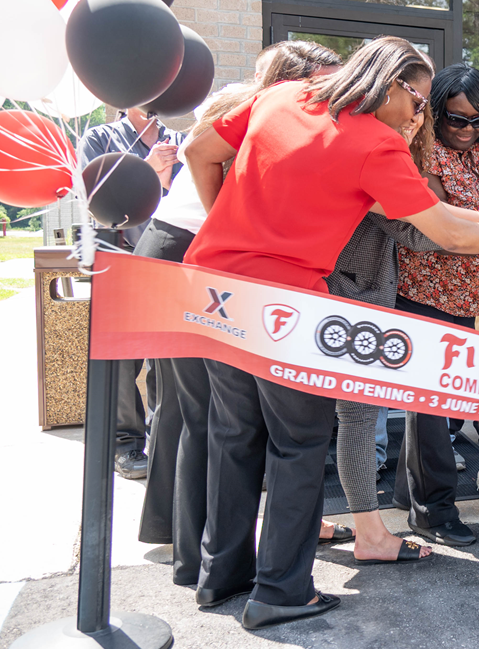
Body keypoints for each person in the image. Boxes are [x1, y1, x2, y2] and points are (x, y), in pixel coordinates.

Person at [183, 36, 479, 629]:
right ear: (389, 85)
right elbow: (445, 235)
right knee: (296, 446)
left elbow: (199, 152)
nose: (421, 115)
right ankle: (280, 592)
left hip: (212, 288)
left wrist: (226, 229)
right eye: (419, 100)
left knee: (234, 438)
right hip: (287, 305)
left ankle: (221, 577)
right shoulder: (376, 142)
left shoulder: (282, 96)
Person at [133, 41, 343, 584]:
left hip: (181, 248)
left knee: (193, 412)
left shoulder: (248, 101)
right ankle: (201, 561)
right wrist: (224, 226)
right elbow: (199, 158)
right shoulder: (266, 108)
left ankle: (198, 559)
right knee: (208, 415)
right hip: (189, 249)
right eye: (323, 80)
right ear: (297, 80)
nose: (330, 93)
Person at [394, 63, 479, 540]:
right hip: (427, 291)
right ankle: (435, 511)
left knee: (437, 403)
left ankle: (408, 493)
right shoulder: (419, 152)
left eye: (478, 120)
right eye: (456, 119)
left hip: (473, 293)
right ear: (435, 112)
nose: (468, 130)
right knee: (430, 404)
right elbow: (440, 226)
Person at [325, 108, 435, 564]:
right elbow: (420, 231)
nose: (415, 121)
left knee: (306, 422)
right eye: (412, 111)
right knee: (357, 417)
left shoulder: (339, 144)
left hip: (325, 294)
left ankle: (310, 516)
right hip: (352, 299)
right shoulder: (371, 157)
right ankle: (369, 534)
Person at [77, 107, 185, 480]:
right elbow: (94, 199)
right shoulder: (99, 139)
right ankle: (125, 445)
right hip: (119, 261)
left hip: (167, 261)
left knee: (165, 359)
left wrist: (168, 179)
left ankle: (161, 444)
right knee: (124, 361)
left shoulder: (180, 141)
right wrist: (145, 168)